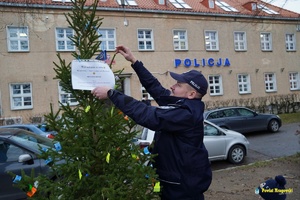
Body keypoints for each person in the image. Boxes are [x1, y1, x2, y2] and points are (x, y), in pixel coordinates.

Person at [92, 45, 212, 200]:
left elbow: (148, 115)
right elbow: (157, 89)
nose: (172, 86)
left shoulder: (186, 114)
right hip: (176, 181)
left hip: (182, 187)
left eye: (178, 85)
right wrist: (134, 61)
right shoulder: (182, 104)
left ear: (191, 93)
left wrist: (111, 93)